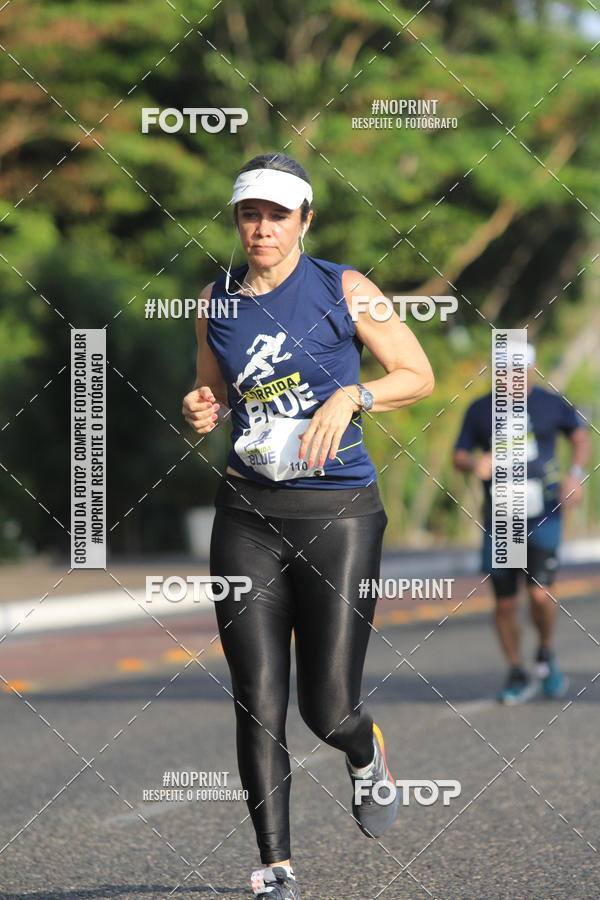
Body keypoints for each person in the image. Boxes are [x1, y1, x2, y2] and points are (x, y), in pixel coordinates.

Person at [182, 152, 434, 898]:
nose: (261, 228)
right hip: (248, 515)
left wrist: (351, 396)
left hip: (340, 515)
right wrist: (201, 406)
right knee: (257, 696)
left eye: (277, 214)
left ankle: (365, 752)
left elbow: (415, 373)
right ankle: (275, 868)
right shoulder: (215, 299)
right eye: (249, 214)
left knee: (326, 707)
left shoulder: (344, 287)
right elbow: (210, 387)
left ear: (305, 221)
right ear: (238, 220)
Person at [453, 344, 591, 705]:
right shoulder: (480, 410)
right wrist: (473, 465)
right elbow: (460, 454)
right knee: (505, 602)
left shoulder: (550, 403)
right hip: (502, 517)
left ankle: (546, 651)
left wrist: (575, 475)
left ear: (531, 369)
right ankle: (516, 670)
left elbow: (579, 436)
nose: (512, 378)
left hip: (543, 510)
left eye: (519, 370)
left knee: (540, 593)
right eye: (504, 371)